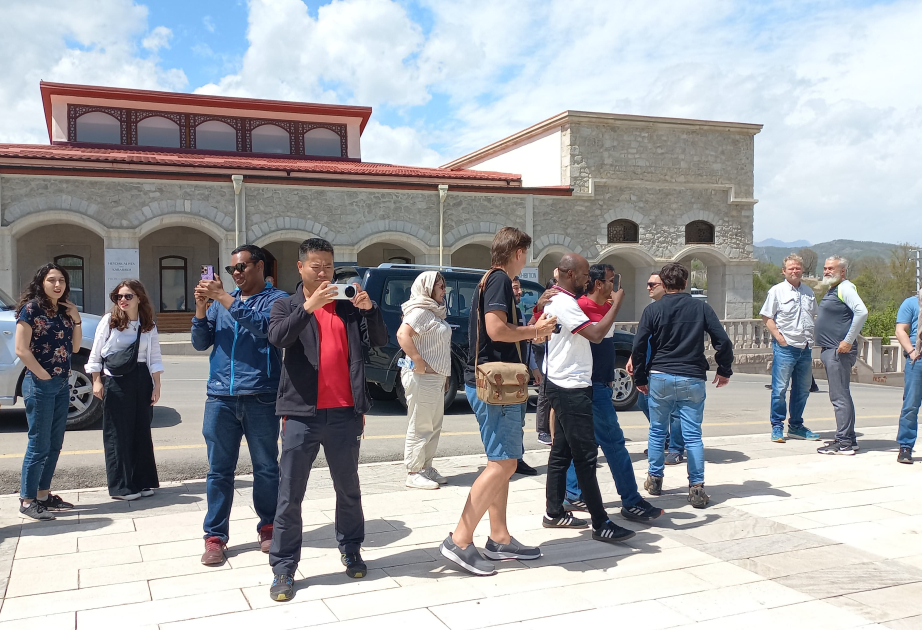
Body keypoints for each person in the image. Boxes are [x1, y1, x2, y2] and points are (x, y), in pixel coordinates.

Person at [267, 238, 388, 601]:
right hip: (301, 415)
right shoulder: (285, 305)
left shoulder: (347, 306)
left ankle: (351, 548)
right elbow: (277, 337)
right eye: (316, 265)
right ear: (301, 267)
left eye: (328, 266)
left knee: (348, 489)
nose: (323, 272)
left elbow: (379, 341)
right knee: (289, 494)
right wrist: (308, 306)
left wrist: (369, 309)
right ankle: (284, 568)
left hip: (343, 415)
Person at [439, 227, 557, 577]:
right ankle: (459, 540)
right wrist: (536, 331)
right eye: (526, 252)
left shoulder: (490, 279)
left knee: (500, 461)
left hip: (493, 384)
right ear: (518, 251)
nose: (527, 259)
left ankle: (499, 537)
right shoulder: (501, 281)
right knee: (504, 463)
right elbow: (496, 329)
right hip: (497, 387)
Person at [192, 245, 288, 566]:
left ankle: (270, 526)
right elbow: (200, 341)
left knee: (265, 467)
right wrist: (201, 308)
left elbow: (264, 328)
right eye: (232, 268)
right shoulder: (222, 301)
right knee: (218, 471)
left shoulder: (277, 300)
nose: (236, 273)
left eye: (242, 267)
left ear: (259, 266)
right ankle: (215, 537)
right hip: (220, 397)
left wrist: (224, 299)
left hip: (260, 395)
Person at [560, 263, 664, 524]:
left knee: (589, 445)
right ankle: (630, 500)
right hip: (589, 387)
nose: (615, 286)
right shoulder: (581, 307)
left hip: (601, 385)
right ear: (598, 284)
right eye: (611, 281)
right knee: (615, 445)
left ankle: (572, 492)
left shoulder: (605, 308)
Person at [631, 262, 733, 509]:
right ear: (685, 283)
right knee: (693, 435)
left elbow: (639, 345)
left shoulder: (653, 310)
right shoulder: (701, 308)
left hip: (661, 375)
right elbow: (723, 341)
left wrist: (641, 379)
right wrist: (724, 369)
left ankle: (655, 479)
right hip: (692, 376)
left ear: (664, 285)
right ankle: (696, 487)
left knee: (657, 430)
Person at [14, 263, 81, 520]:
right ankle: (27, 499)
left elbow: (75, 348)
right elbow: (22, 349)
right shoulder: (31, 309)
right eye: (52, 280)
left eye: (62, 280)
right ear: (41, 282)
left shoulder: (63, 311)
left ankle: (43, 495)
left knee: (54, 444)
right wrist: (43, 375)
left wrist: (75, 318)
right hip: (40, 384)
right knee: (39, 444)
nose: (58, 285)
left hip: (63, 383)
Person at [86, 280, 163, 500]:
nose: (122, 300)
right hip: (117, 379)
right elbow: (96, 352)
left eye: (128, 296)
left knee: (141, 430)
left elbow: (154, 356)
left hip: (141, 378)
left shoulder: (147, 324)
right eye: (118, 296)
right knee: (118, 433)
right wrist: (96, 380)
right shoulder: (109, 321)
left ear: (139, 298)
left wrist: (157, 385)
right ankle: (121, 487)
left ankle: (141, 481)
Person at [397, 271, 451, 489]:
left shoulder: (433, 312)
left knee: (433, 425)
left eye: (444, 285)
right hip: (422, 377)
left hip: (435, 378)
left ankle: (426, 466)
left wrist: (444, 374)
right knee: (420, 425)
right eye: (439, 286)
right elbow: (403, 335)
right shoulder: (420, 311)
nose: (443, 290)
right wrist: (418, 361)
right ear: (427, 288)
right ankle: (413, 471)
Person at [760, 254, 821, 443]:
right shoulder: (776, 291)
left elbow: (815, 315)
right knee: (779, 389)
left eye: (797, 268)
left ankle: (796, 426)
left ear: (802, 270)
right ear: (784, 271)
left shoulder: (809, 292)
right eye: (791, 268)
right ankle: (777, 427)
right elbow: (767, 317)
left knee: (802, 389)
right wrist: (779, 337)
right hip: (786, 347)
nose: (794, 271)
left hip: (805, 347)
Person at [629, 273, 686, 463]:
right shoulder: (651, 309)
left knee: (676, 409)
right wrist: (633, 358)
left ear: (665, 285)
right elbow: (642, 339)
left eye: (652, 284)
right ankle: (664, 439)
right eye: (647, 283)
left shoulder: (679, 310)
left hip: (669, 366)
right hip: (648, 365)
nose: (648, 288)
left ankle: (676, 448)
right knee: (644, 403)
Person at [815, 256, 868, 456]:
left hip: (838, 351)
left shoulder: (845, 287)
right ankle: (848, 439)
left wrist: (847, 340)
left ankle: (844, 443)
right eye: (825, 268)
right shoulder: (835, 289)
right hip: (831, 350)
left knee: (839, 396)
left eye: (831, 268)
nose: (827, 271)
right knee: (842, 394)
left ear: (843, 271)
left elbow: (861, 312)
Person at [511, 275, 539, 476]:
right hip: (505, 375)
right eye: (515, 288)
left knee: (519, 420)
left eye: (519, 288)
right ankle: (506, 461)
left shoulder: (519, 313)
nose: (519, 292)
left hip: (520, 374)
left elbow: (526, 344)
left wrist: (534, 369)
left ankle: (516, 458)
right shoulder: (501, 315)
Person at [894, 288, 922, 464]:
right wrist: (911, 352)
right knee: (911, 405)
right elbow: (900, 330)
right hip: (917, 359)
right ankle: (905, 447)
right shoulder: (911, 303)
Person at [532, 277, 557, 446]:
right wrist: (539, 307)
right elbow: (533, 325)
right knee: (544, 393)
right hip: (544, 352)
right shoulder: (545, 307)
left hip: (557, 355)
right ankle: (543, 430)